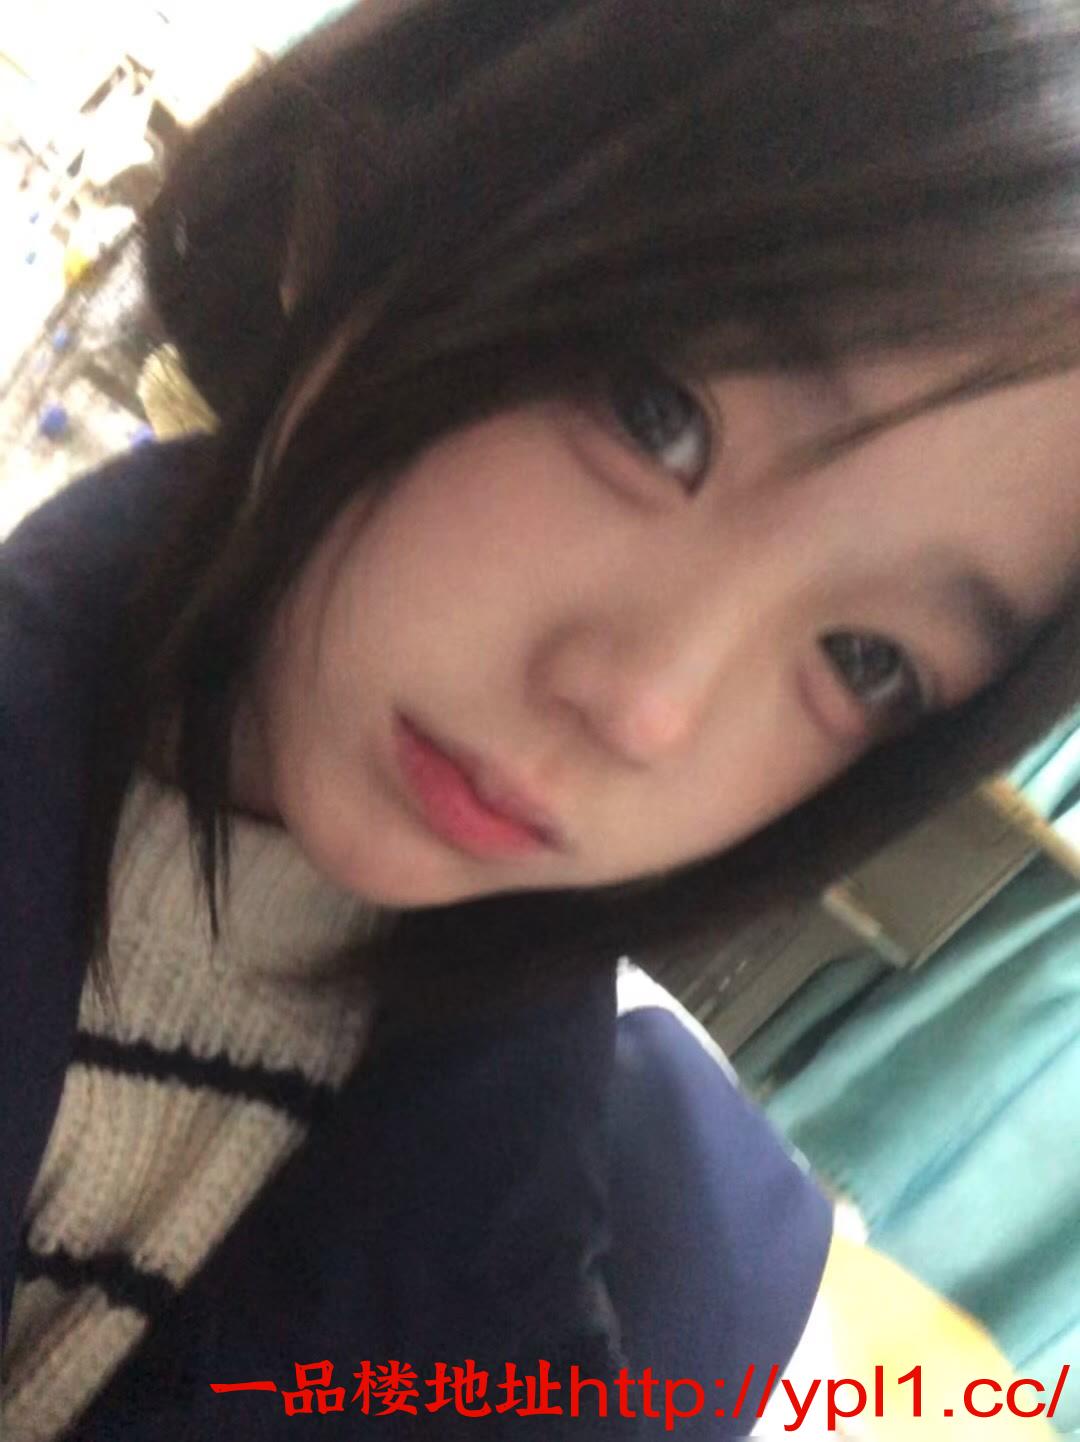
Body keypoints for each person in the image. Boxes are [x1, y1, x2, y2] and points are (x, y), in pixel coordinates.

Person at [2, 0, 1080, 1436]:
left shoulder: (626, 1291)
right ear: (382, 181)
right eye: (656, 414)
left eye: (868, 659)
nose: (646, 706)